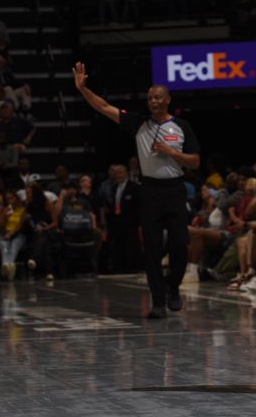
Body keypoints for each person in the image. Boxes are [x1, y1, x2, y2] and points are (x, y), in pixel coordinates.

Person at [73, 62, 200, 319]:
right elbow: (103, 107)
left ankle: (173, 286)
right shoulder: (139, 124)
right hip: (150, 189)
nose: (152, 101)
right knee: (152, 247)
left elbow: (195, 162)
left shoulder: (182, 126)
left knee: (178, 244)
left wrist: (170, 152)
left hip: (175, 188)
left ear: (167, 99)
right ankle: (158, 300)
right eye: (150, 97)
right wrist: (83, 89)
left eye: (157, 97)